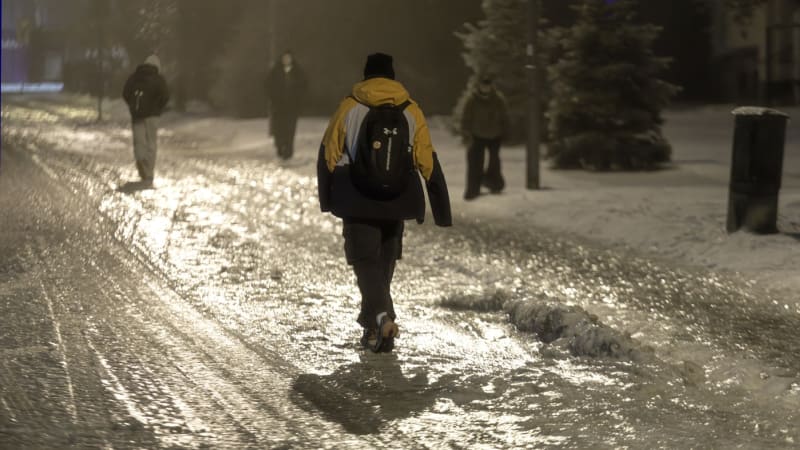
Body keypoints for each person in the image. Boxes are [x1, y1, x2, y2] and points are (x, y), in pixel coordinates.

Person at [317, 53, 452, 353]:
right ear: (392, 77)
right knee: (384, 262)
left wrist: (327, 198)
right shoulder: (410, 109)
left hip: (357, 196)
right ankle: (374, 326)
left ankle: (381, 318)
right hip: (398, 199)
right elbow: (426, 158)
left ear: (366, 76)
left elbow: (329, 152)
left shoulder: (350, 105)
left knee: (365, 262)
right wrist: (441, 207)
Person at [122, 54, 170, 185]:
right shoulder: (158, 78)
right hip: (152, 116)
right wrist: (158, 108)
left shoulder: (135, 77)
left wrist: (133, 106)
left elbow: (125, 92)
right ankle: (149, 173)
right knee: (151, 143)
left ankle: (140, 158)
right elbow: (166, 95)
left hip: (137, 115)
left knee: (139, 141)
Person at [460, 75, 509, 200]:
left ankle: (495, 184)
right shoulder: (472, 100)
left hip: (495, 134)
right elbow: (466, 118)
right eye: (483, 84)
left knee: (494, 161)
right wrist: (466, 133)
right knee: (475, 162)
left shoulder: (498, 99)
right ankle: (473, 189)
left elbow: (504, 116)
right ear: (479, 86)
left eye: (488, 84)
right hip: (477, 135)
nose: (486, 87)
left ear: (491, 86)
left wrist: (505, 131)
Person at [266, 51, 307, 160]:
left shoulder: (297, 72)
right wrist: (273, 100)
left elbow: (303, 88)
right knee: (279, 129)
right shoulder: (275, 72)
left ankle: (288, 150)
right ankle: (280, 146)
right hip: (278, 107)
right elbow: (268, 86)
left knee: (290, 129)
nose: (286, 60)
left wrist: (299, 102)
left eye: (288, 58)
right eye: (285, 58)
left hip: (292, 107)